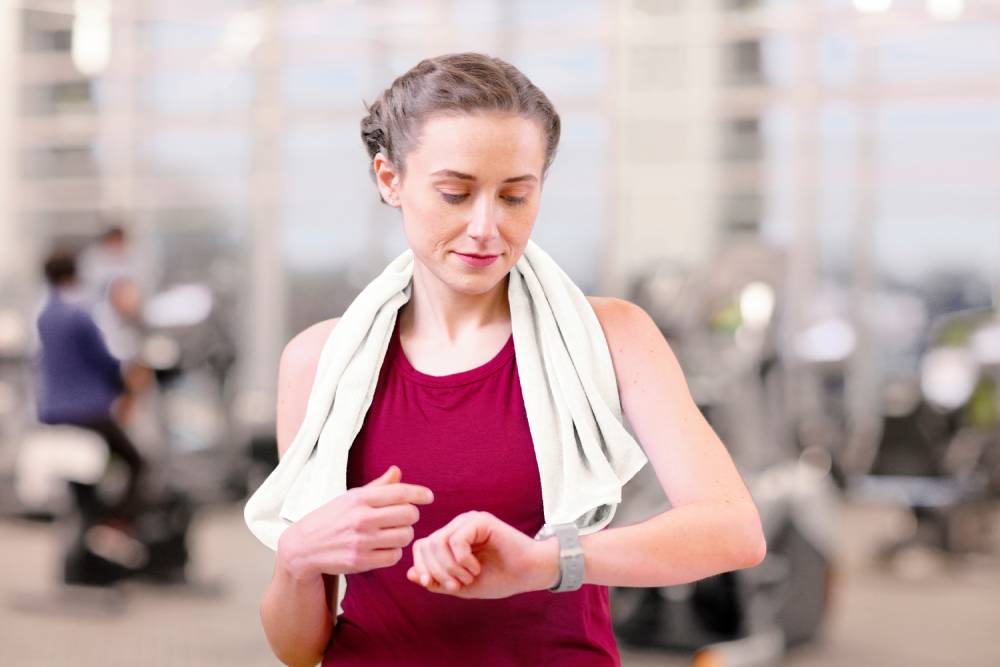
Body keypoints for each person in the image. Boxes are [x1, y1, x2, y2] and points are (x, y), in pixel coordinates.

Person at [258, 53, 767, 666]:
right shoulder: (319, 361)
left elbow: (734, 531)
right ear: (389, 179)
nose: (485, 227)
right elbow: (297, 649)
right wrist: (296, 558)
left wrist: (545, 562)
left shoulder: (613, 336)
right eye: (455, 193)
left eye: (515, 196)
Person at [34, 248, 147, 525]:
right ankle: (115, 524)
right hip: (87, 411)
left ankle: (91, 523)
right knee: (136, 463)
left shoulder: (44, 316)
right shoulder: (79, 315)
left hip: (53, 410)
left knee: (84, 478)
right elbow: (103, 360)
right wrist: (126, 383)